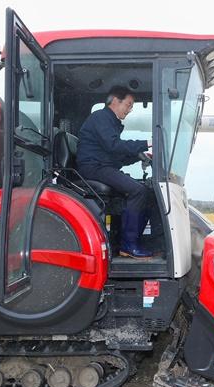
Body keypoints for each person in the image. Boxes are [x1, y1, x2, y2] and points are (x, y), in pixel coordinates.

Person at [76, 86, 160, 258]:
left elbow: (116, 157)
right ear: (115, 101)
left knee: (148, 192)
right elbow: (113, 146)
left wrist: (140, 156)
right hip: (93, 168)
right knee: (138, 190)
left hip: (102, 165)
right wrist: (147, 143)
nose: (129, 110)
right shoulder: (100, 117)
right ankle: (128, 245)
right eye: (128, 105)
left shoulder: (109, 122)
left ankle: (137, 241)